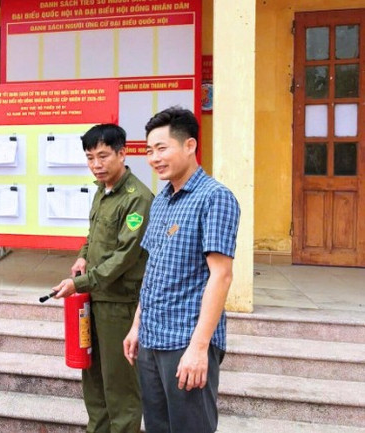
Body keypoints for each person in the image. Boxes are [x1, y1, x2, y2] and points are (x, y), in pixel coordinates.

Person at [123, 106, 240, 433]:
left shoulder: (215, 198)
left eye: (161, 148)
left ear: (190, 145)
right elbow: (153, 268)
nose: (154, 158)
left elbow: (221, 275)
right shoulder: (162, 200)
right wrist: (137, 326)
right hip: (152, 339)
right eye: (149, 150)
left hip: (186, 341)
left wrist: (199, 347)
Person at [51, 124, 153, 433]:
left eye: (103, 156)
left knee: (120, 387)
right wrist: (83, 255)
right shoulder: (101, 190)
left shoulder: (137, 198)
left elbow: (125, 256)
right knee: (93, 380)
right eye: (90, 157)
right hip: (93, 299)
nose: (96, 164)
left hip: (118, 304)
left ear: (123, 154)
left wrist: (79, 284)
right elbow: (93, 235)